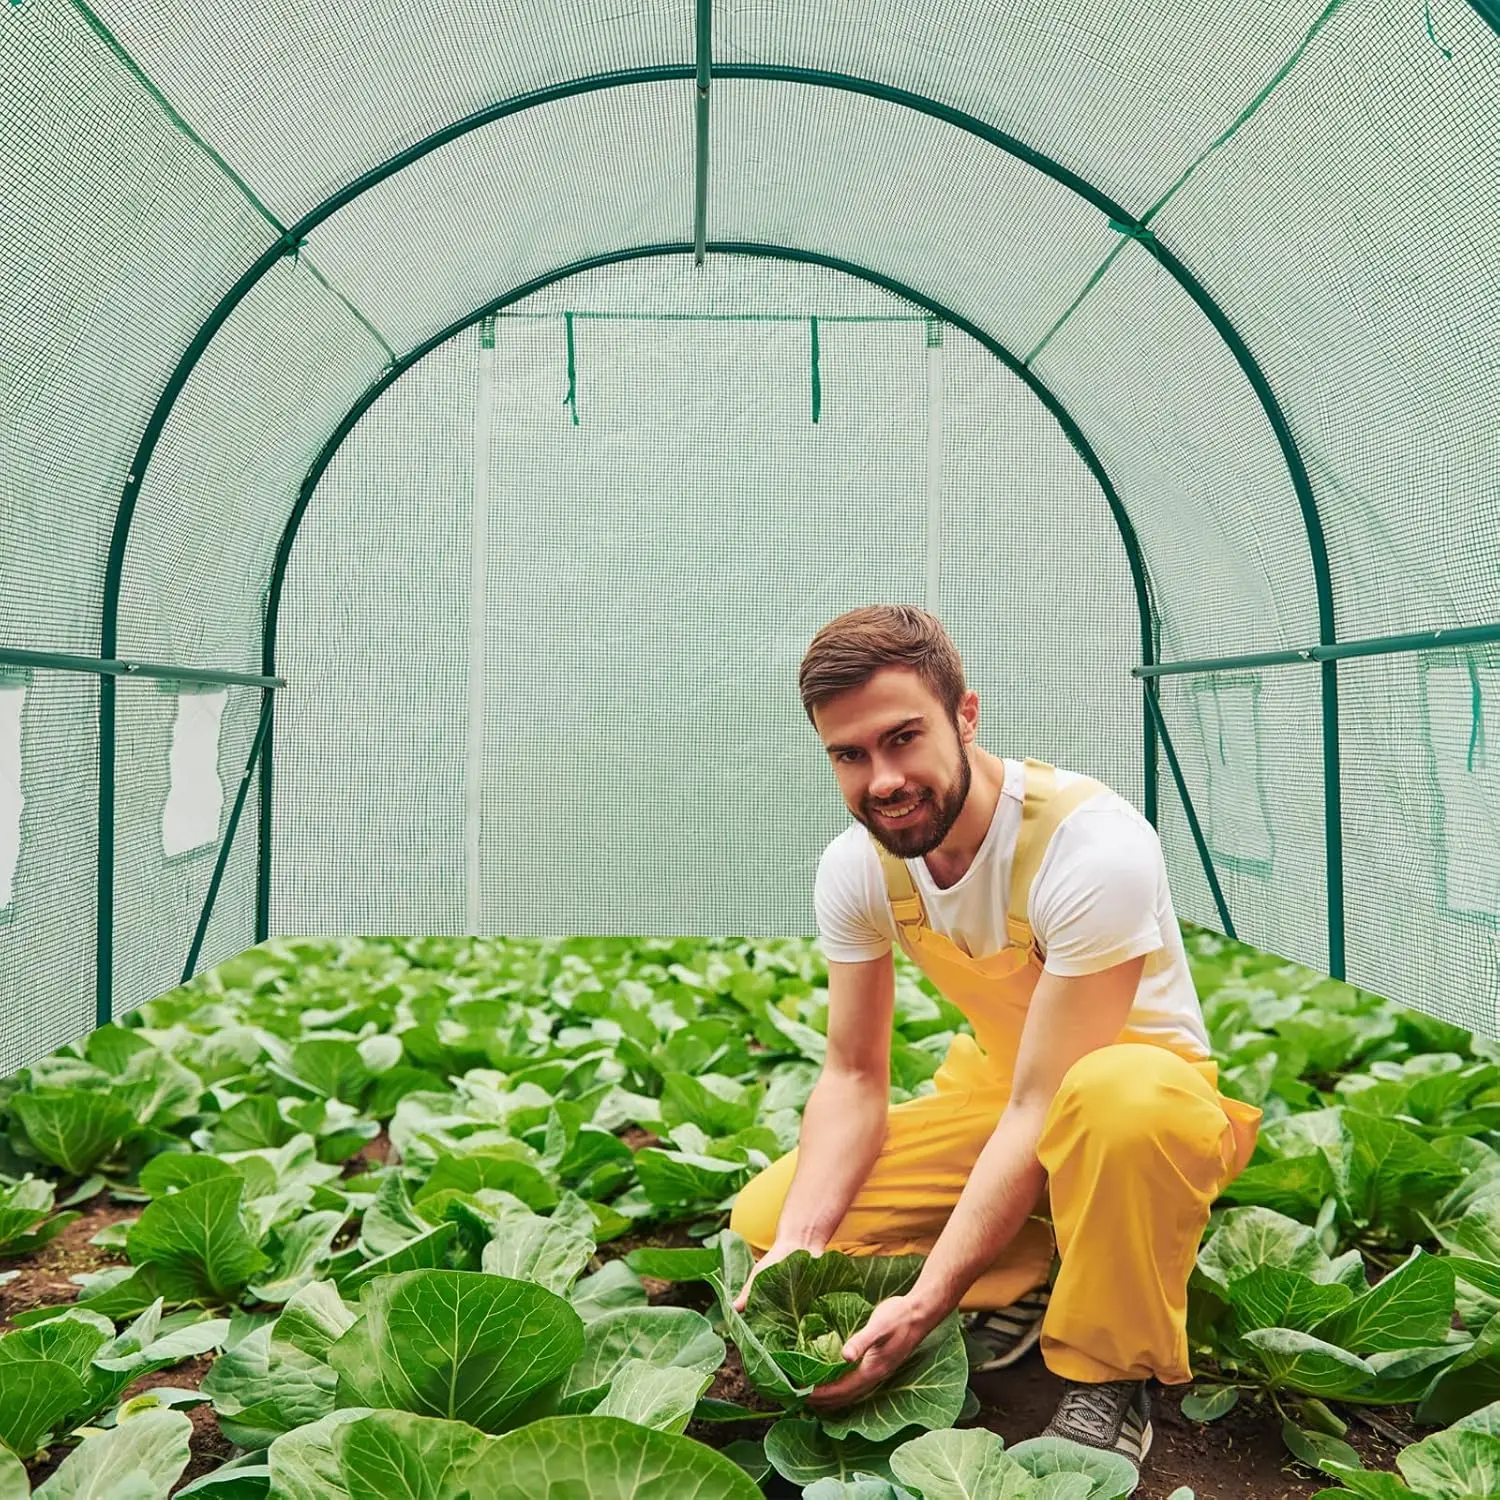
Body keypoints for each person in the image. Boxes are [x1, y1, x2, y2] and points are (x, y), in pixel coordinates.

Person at [728, 604, 1261, 1485]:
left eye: (904, 738)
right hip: (998, 1098)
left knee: (1118, 1102)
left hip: (1142, 1112)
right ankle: (1029, 1267)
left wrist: (930, 1297)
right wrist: (801, 1243)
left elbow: (1046, 1102)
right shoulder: (859, 866)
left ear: (966, 716)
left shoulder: (1090, 847)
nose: (883, 778)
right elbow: (854, 1074)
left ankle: (1110, 1365)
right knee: (767, 1227)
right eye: (850, 755)